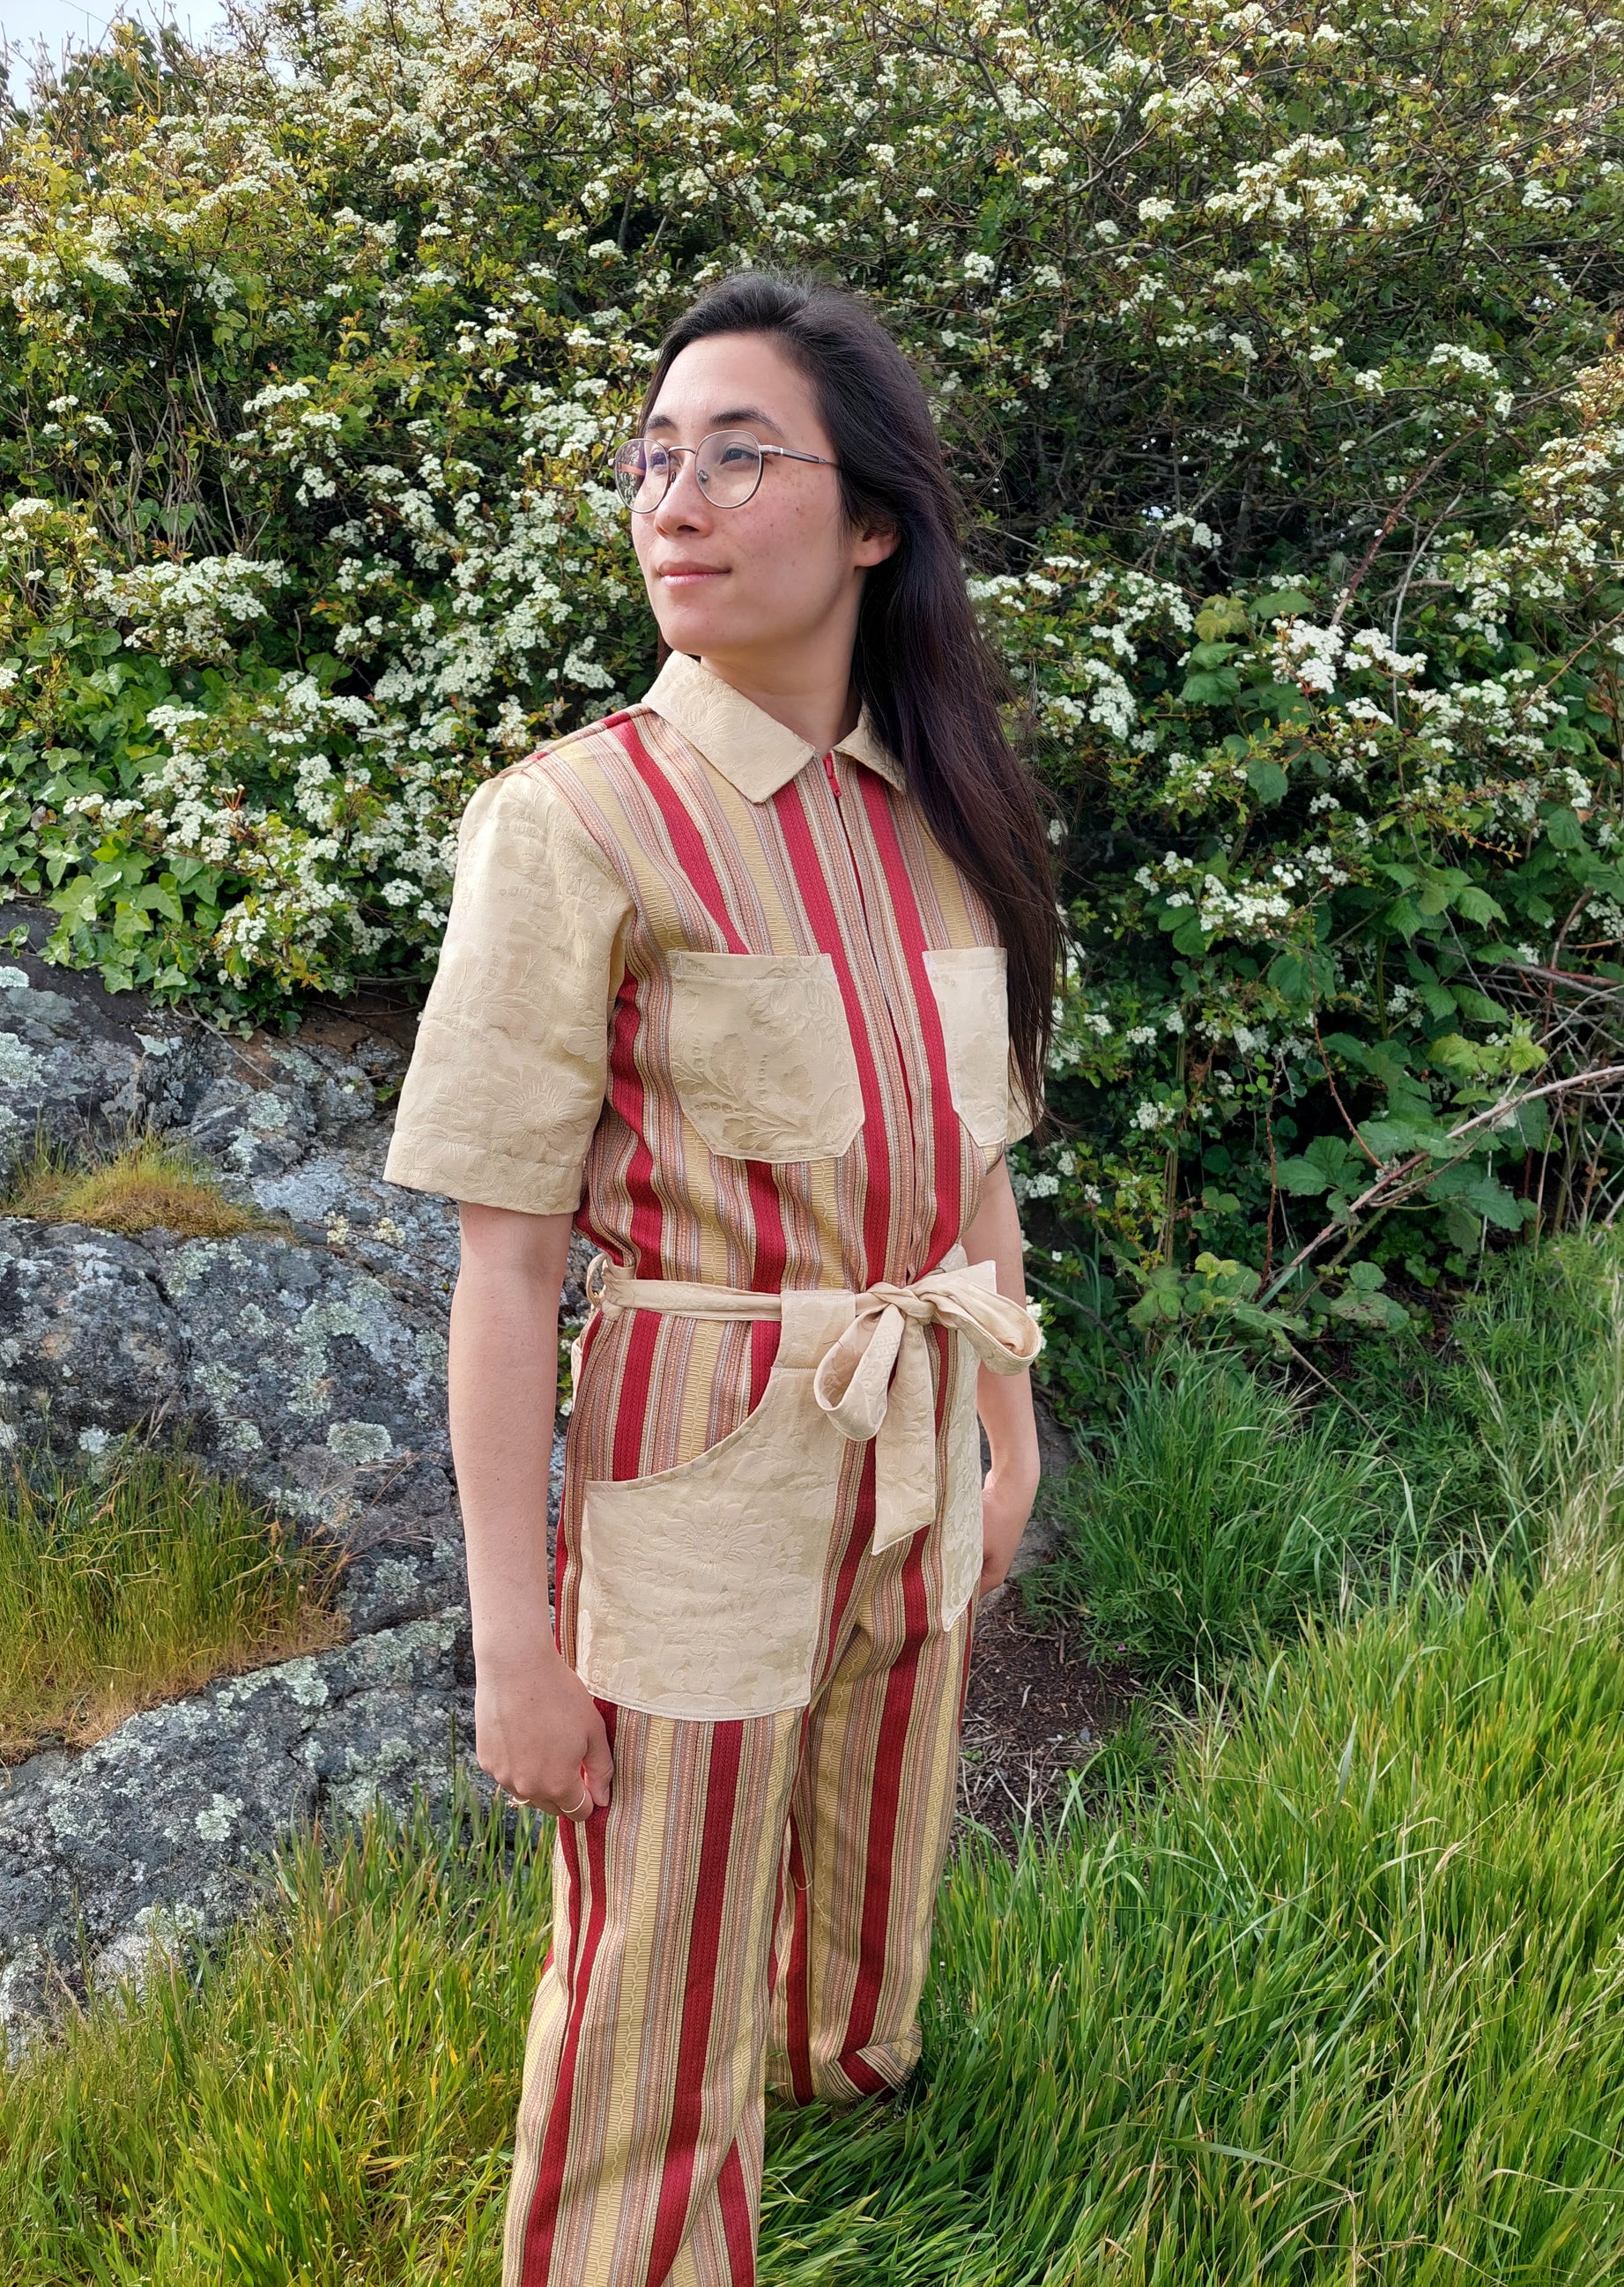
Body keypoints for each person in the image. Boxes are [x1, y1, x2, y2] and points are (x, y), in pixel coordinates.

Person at [382, 269, 1062, 2287]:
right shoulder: (570, 822)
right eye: (653, 458)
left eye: (735, 453)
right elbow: (502, 1270)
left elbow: (980, 1163)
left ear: (871, 521)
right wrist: (515, 1636)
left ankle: (843, 2092)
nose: (673, 499)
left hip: (917, 1422)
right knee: (655, 1922)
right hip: (698, 1448)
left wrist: (1009, 1426)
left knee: (872, 1824)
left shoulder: (952, 820)